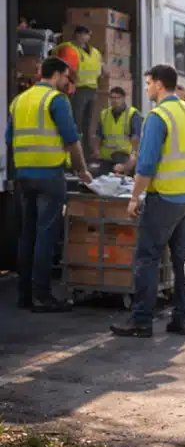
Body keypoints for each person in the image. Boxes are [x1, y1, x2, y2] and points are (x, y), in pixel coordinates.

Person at [109, 65, 185, 338]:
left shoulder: (158, 116)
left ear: (160, 85)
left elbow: (147, 164)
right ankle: (182, 319)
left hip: (164, 197)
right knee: (181, 260)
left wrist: (133, 197)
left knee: (147, 257)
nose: (148, 88)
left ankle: (141, 320)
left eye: (149, 83)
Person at [8, 57, 94, 311]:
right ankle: (42, 295)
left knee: (28, 235)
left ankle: (25, 295)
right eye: (66, 77)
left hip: (24, 175)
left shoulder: (19, 100)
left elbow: (8, 138)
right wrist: (82, 170)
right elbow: (72, 140)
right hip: (49, 176)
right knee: (46, 234)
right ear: (56, 75)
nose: (67, 82)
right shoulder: (56, 100)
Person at [52, 25, 103, 159]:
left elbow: (101, 69)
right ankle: (75, 154)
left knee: (87, 123)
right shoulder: (69, 48)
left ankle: (86, 153)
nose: (84, 37)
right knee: (76, 122)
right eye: (81, 34)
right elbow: (66, 69)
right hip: (77, 89)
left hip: (91, 89)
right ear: (76, 35)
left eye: (86, 35)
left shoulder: (95, 52)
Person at [95, 86, 142, 176]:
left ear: (124, 98)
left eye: (118, 98)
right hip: (106, 159)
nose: (115, 100)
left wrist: (133, 158)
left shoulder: (132, 114)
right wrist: (96, 151)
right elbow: (98, 136)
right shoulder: (104, 114)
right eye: (112, 98)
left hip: (124, 159)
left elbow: (136, 137)